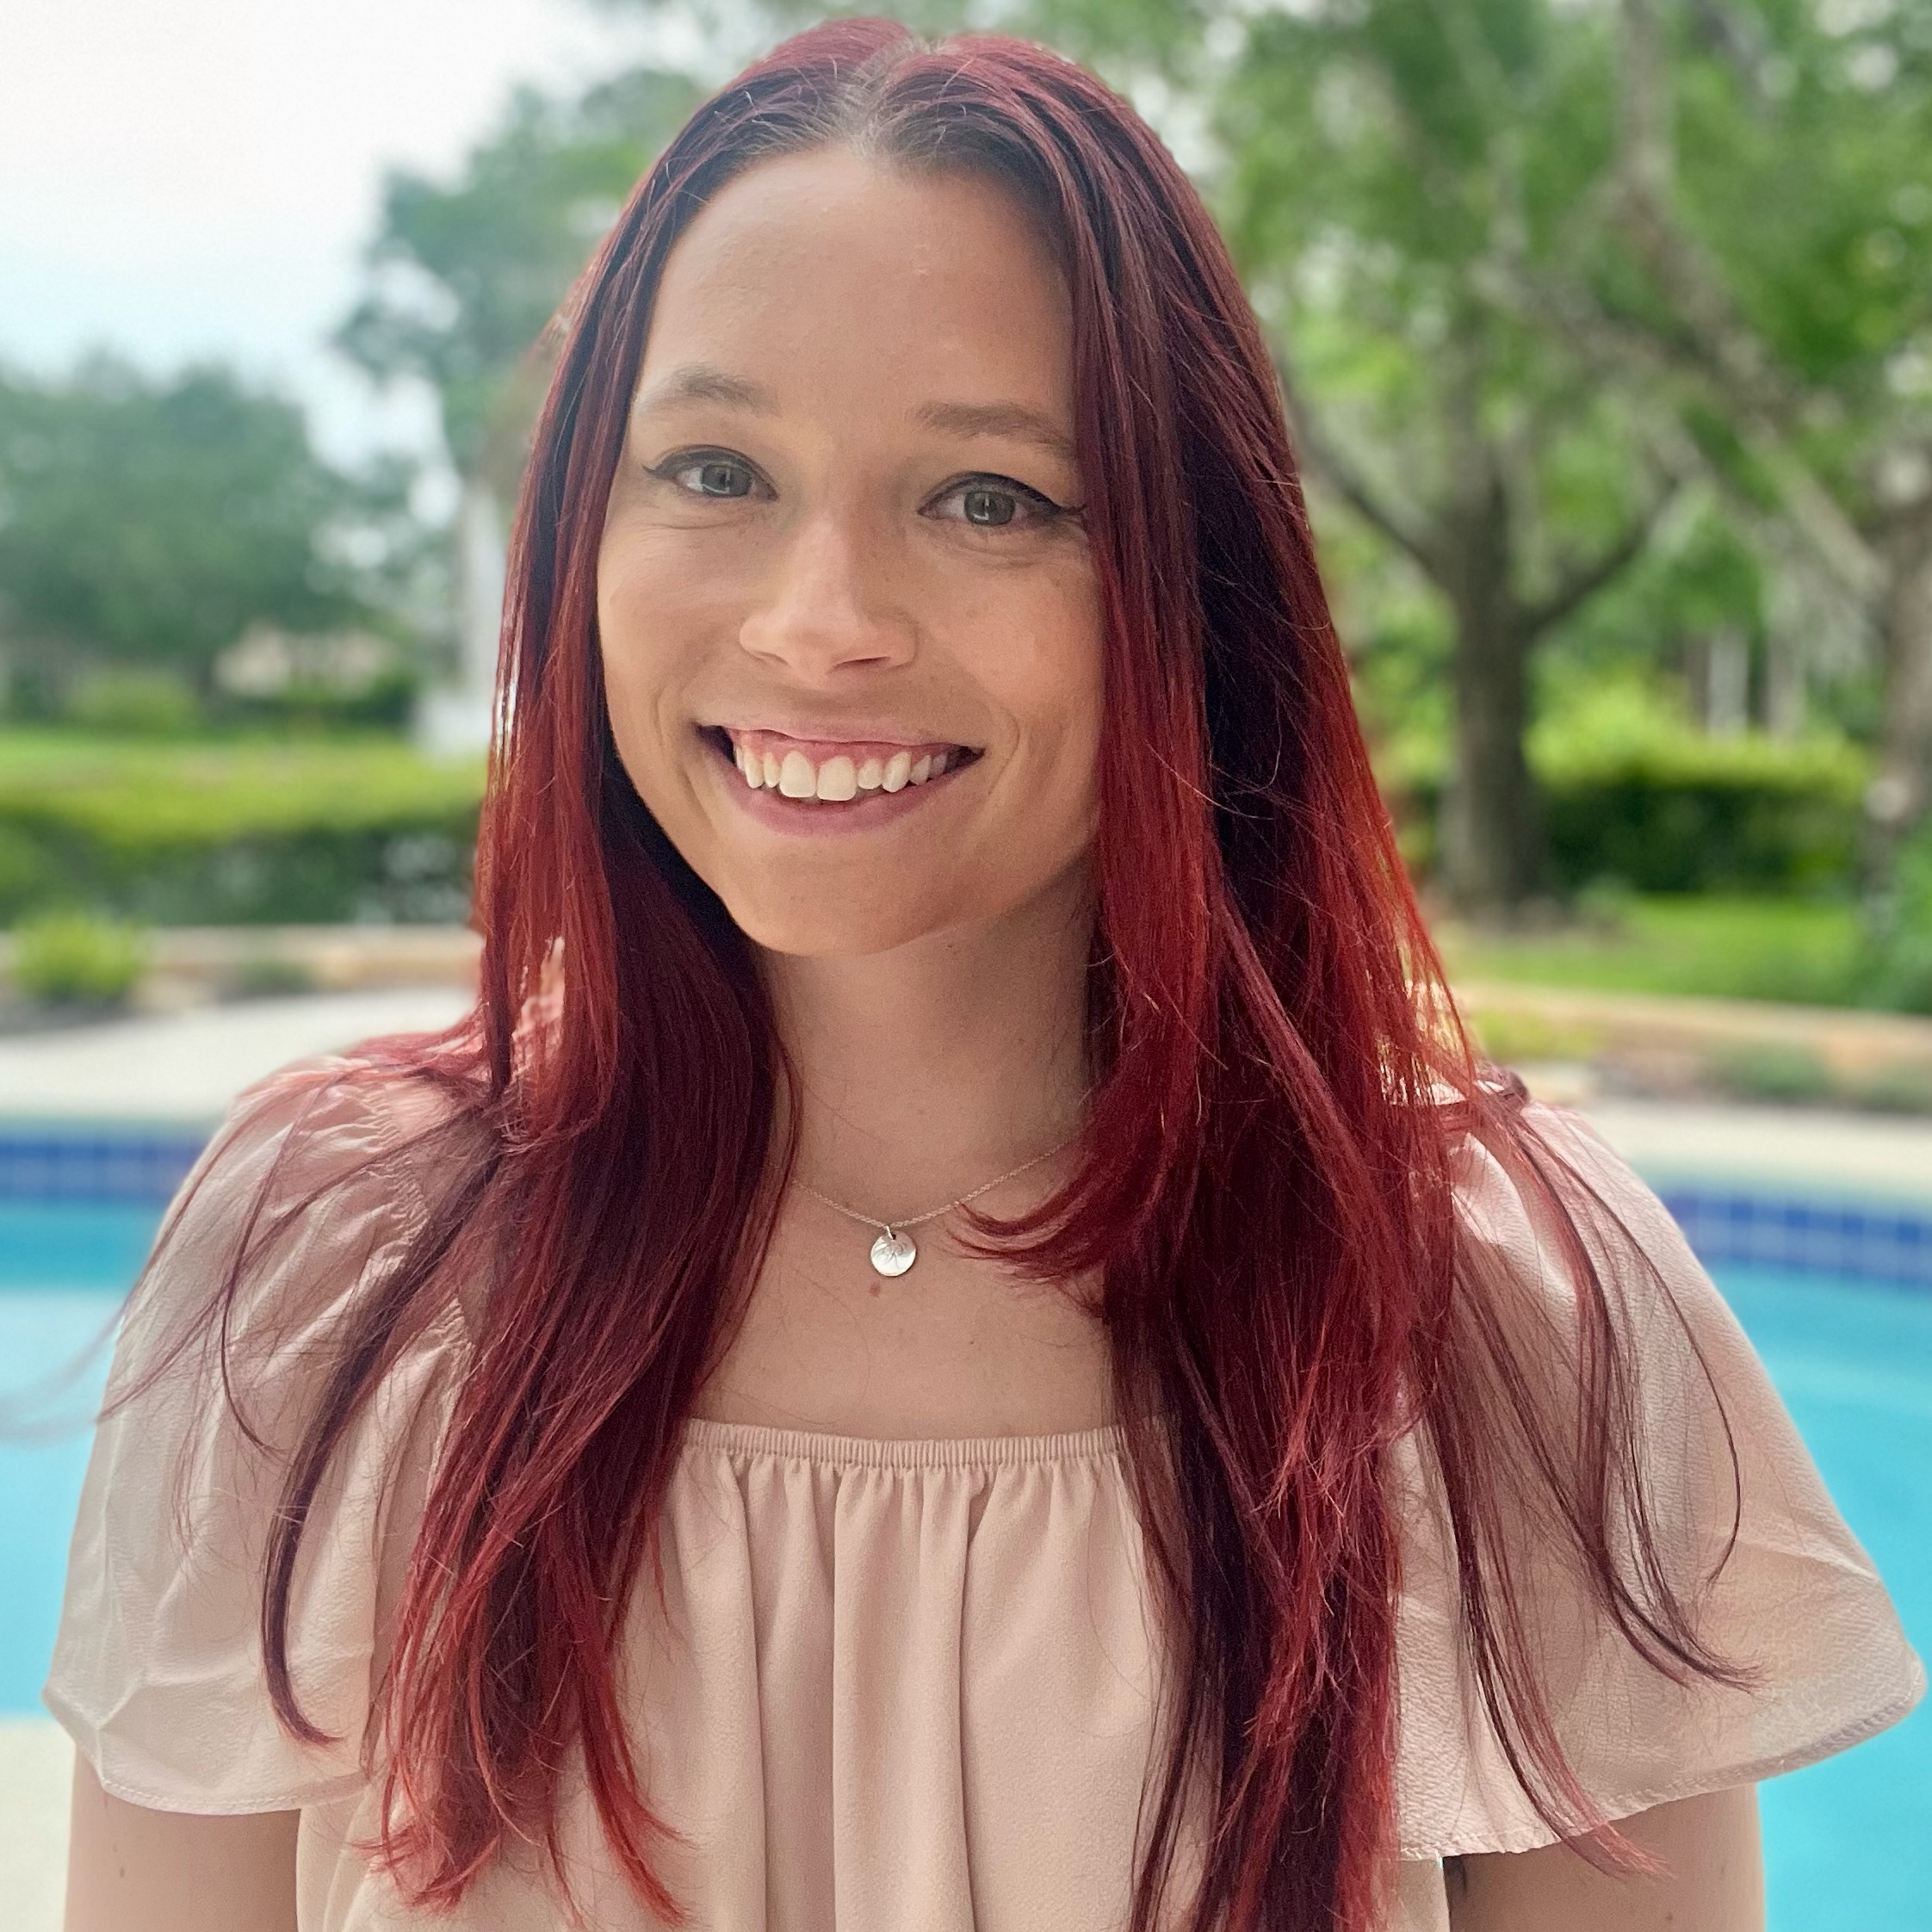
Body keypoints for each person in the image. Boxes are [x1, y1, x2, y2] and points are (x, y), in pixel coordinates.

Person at [46, 19, 1922, 1932]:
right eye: (714, 468)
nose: (821, 623)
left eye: (989, 499)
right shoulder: (328, 1270)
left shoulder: (1492, 1310)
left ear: (1194, 590)